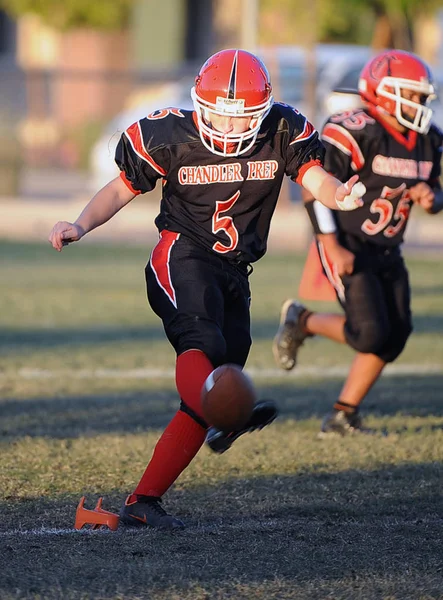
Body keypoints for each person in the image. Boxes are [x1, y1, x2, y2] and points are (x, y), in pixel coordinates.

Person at [48, 48, 364, 529]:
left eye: (243, 120)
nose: (231, 128)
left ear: (262, 114)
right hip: (182, 255)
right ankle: (223, 414)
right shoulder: (171, 135)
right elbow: (121, 187)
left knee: (224, 372)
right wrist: (80, 224)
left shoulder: (279, 130)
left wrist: (337, 193)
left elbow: (312, 176)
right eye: (219, 115)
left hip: (235, 271)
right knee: (205, 351)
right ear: (200, 104)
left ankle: (144, 501)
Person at [273, 49, 443, 437]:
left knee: (396, 335)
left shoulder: (428, 139)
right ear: (383, 93)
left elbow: (435, 191)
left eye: (421, 96)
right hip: (347, 240)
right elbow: (314, 191)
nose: (419, 103)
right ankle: (303, 321)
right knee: (370, 333)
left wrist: (433, 200)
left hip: (388, 246)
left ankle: (342, 415)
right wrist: (331, 244)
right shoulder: (354, 129)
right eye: (411, 94)